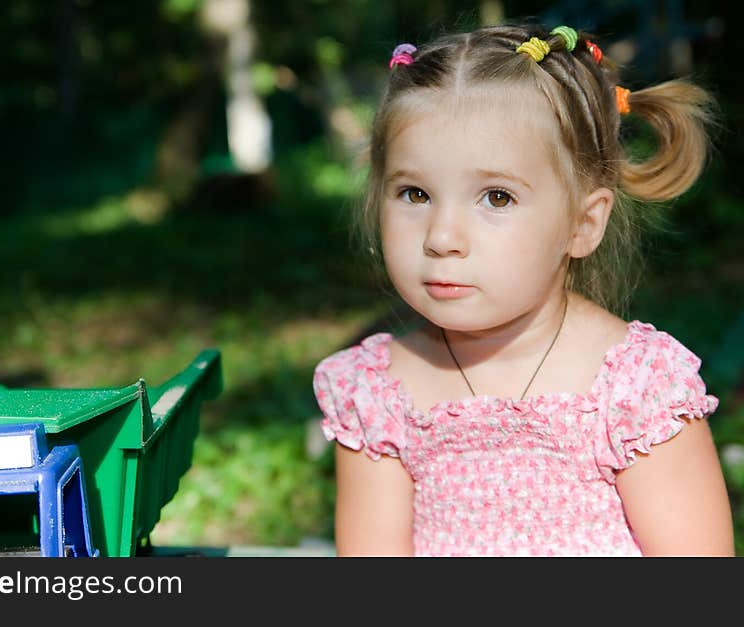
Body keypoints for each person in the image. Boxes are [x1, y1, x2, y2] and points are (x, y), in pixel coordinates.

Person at [312, 23, 735, 556]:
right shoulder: (376, 394)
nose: (442, 237)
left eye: (496, 198)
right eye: (414, 193)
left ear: (583, 224)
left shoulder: (635, 390)